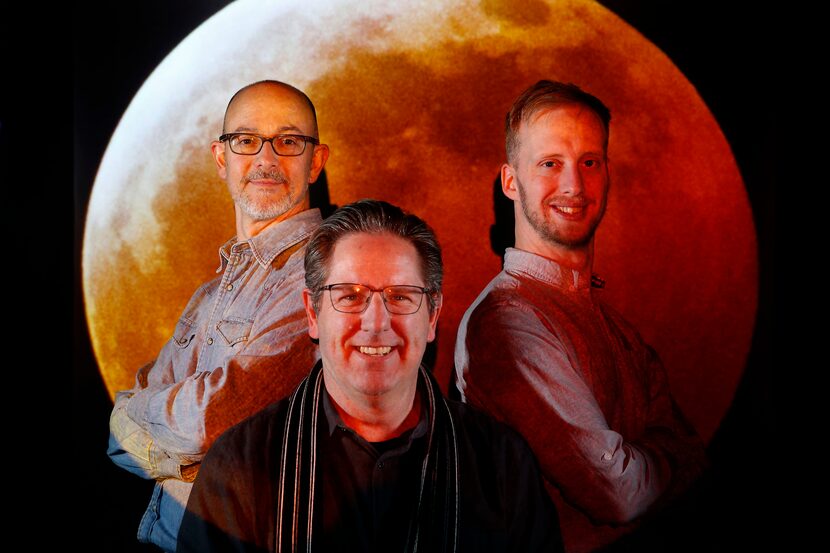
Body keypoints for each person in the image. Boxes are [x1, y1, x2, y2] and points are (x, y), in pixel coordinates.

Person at [177, 199, 563, 553]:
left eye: (400, 296)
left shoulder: (503, 465)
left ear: (431, 316)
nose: (376, 323)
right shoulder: (237, 471)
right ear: (313, 314)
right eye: (349, 296)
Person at [454, 81, 707, 553]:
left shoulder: (616, 328)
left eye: (589, 162)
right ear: (511, 181)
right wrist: (671, 455)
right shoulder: (507, 325)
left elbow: (694, 459)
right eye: (550, 164)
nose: (574, 185)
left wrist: (662, 457)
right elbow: (619, 494)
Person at [107, 80, 330, 552]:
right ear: (221, 158)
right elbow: (114, 434)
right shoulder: (209, 293)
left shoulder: (319, 274)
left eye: (289, 141)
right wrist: (185, 453)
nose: (266, 159)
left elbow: (218, 421)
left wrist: (142, 415)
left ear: (317, 161)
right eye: (246, 140)